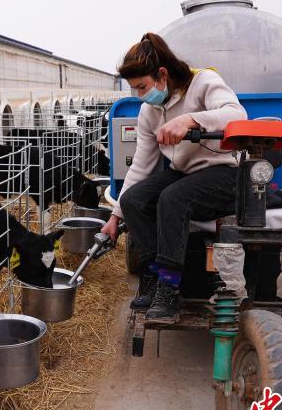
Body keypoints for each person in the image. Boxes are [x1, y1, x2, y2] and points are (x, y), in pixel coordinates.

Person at [101, 32, 247, 323]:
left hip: (225, 172)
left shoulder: (203, 82)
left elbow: (237, 115)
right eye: (135, 89)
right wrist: (116, 216)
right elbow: (141, 165)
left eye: (142, 86)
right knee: (133, 199)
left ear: (162, 74)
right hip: (186, 174)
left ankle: (169, 287)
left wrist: (191, 120)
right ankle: (152, 277)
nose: (141, 95)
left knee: (172, 198)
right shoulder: (149, 111)